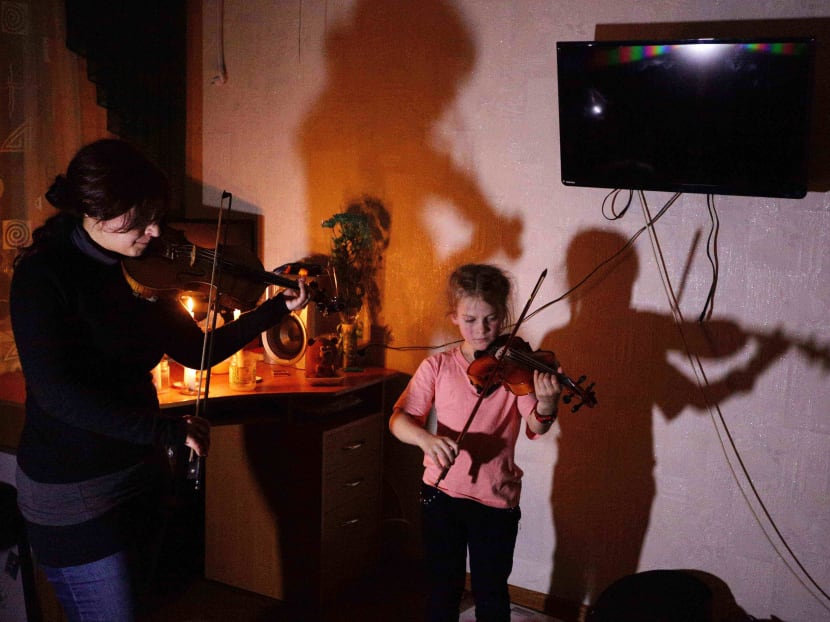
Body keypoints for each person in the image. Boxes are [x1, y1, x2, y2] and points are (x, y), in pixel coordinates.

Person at [9, 138, 309, 622]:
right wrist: (164, 430)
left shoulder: (145, 273)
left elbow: (195, 350)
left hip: (138, 473)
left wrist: (277, 307)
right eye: (138, 219)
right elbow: (57, 395)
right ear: (94, 210)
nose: (154, 231)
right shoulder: (44, 277)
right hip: (75, 490)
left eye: (156, 215)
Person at [388, 263, 561, 622]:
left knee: (491, 591)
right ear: (453, 316)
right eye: (470, 320)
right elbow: (399, 420)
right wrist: (426, 440)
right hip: (440, 494)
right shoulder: (437, 367)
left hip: (495, 498)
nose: (481, 330)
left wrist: (546, 404)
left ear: (504, 316)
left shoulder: (516, 368)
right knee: (442, 589)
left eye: (491, 319)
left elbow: (536, 426)